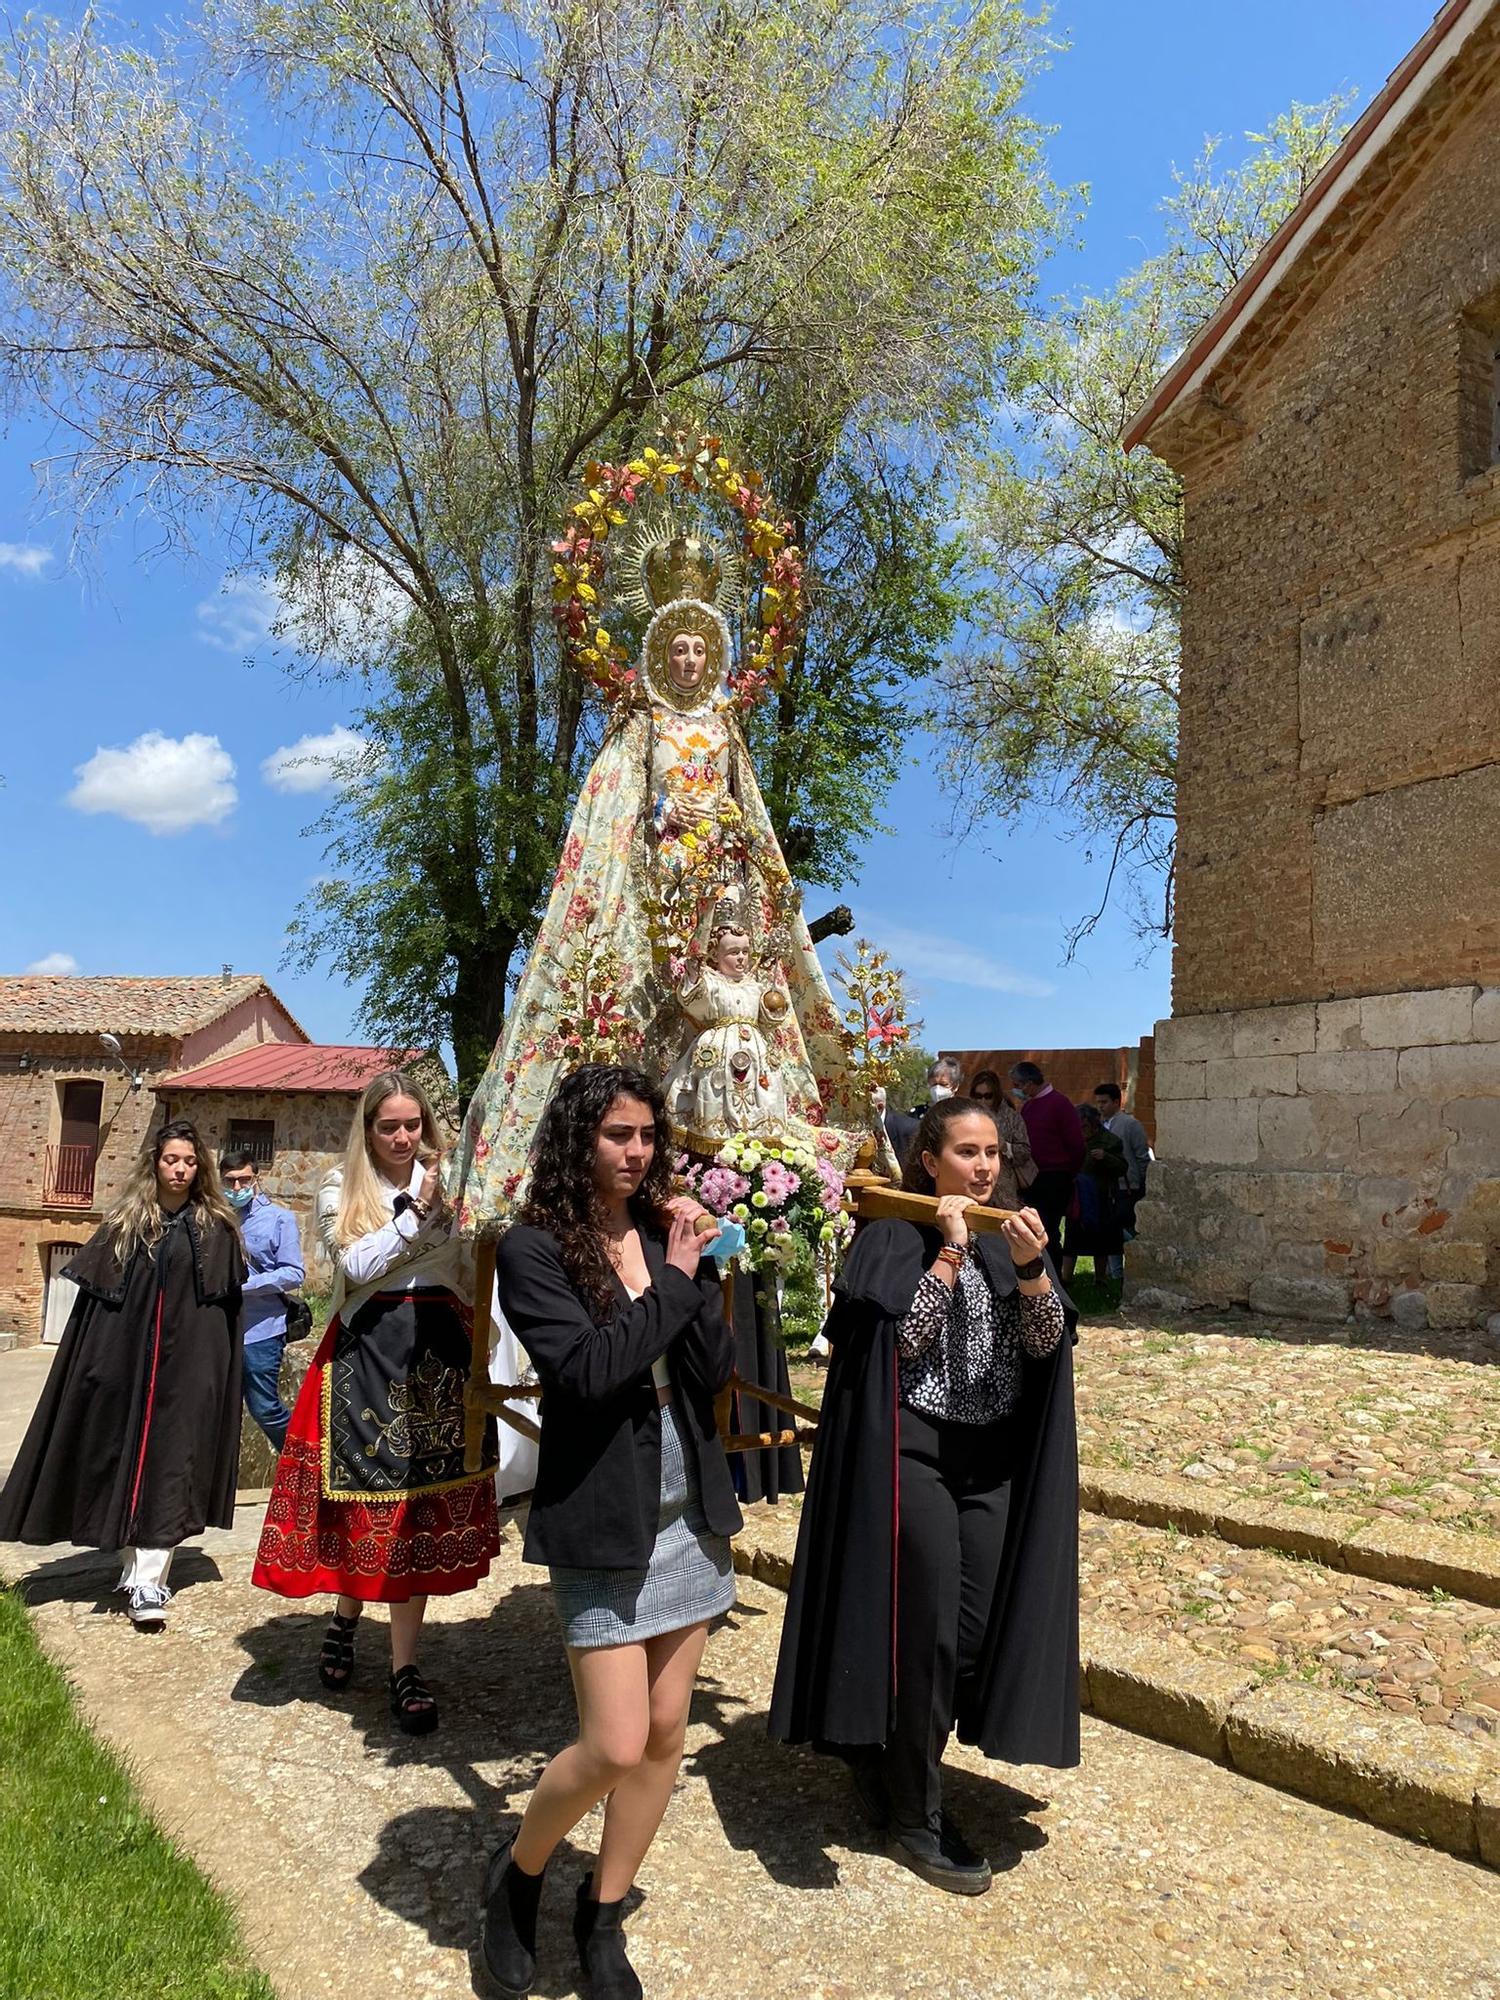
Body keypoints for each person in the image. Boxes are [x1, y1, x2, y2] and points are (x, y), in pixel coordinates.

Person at [769, 1096, 1079, 1895]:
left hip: (989, 1462)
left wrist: (1034, 1270)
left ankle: (885, 1752)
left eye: (992, 1155)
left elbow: (1046, 1346)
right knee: (929, 1631)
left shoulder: (1011, 1237)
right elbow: (899, 1340)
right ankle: (916, 1811)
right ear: (930, 1161)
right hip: (912, 1454)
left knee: (972, 1633)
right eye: (966, 1153)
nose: (983, 1167)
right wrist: (945, 1253)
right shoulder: (892, 1235)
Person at [482, 1064, 740, 2000]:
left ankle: (604, 1910)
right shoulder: (535, 1248)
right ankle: (518, 1872)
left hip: (689, 1505)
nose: (636, 1153)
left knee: (668, 1730)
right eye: (617, 1135)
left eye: (646, 1136)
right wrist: (671, 1282)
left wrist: (701, 1274)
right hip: (602, 1508)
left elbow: (711, 1368)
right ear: (576, 1141)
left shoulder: (663, 1235)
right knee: (616, 1742)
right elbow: (591, 1373)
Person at [252, 1070, 499, 1734]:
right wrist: (420, 1214)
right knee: (365, 1506)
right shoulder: (342, 1185)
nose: (400, 1136)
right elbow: (355, 1266)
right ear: (368, 1129)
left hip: (440, 1355)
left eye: (411, 1125)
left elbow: (469, 1265)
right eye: (388, 1125)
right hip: (366, 1352)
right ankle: (344, 1617)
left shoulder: (453, 1180)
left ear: (426, 1126)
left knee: (414, 1512)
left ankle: (404, 1667)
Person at [0, 1119, 245, 1631]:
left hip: (186, 1374)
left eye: (189, 1161)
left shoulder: (216, 1227)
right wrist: (96, 1367)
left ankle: (149, 1580)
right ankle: (130, 1562)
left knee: (172, 1464)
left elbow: (224, 1314)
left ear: (200, 1168)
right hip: (126, 1366)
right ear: (154, 1163)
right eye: (171, 1159)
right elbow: (96, 1307)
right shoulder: (127, 1222)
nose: (179, 1169)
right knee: (123, 1458)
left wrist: (215, 1376)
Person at [220, 1149, 304, 1453]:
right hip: (218, 1329)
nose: (238, 1188)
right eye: (230, 1181)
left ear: (257, 1178)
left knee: (264, 1408)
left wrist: (243, 1287)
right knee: (218, 1410)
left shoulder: (280, 1219)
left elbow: (294, 1273)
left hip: (261, 1330)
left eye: (244, 1180)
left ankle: (301, 1461)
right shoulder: (215, 1218)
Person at [1008, 1061, 1085, 1266]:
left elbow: (1077, 1145)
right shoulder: (1028, 1106)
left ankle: (1054, 1279)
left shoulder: (1060, 1104)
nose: (1016, 1089)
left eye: (1018, 1084)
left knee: (1048, 1231)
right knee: (1031, 1229)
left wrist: (1068, 1172)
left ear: (1029, 1083)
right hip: (1031, 1177)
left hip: (1055, 1178)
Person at [1062, 1104, 1126, 1288]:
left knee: (1102, 1242)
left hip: (1102, 1199)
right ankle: (1066, 1278)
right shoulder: (1071, 1140)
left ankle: (1100, 1279)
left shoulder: (1110, 1141)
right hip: (1077, 1200)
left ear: (1093, 1124)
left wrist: (1106, 1157)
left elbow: (1123, 1167)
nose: (1082, 1131)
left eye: (1085, 1127)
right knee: (1072, 1239)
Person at [1094, 1081, 1152, 1282]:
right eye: (1098, 1102)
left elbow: (1142, 1155)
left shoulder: (1130, 1124)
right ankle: (1114, 1271)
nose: (1100, 1106)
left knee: (1122, 1227)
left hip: (1127, 1185)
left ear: (1116, 1102)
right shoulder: (1098, 1125)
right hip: (1105, 1186)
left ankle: (1137, 1260)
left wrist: (1142, 1182)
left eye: (1105, 1102)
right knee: (1109, 1228)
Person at [966, 1069, 1034, 1209]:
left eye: (988, 1096)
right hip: (972, 1181)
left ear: (996, 1095)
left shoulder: (1011, 1118)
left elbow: (1025, 1151)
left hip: (1004, 1186)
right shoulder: (965, 1117)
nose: (982, 1101)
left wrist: (1005, 1146)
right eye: (978, 1096)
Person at [884, 1055, 960, 1171]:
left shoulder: (964, 1114)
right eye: (934, 1084)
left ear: (955, 1086)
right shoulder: (915, 1114)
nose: (938, 1089)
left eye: (943, 1084)